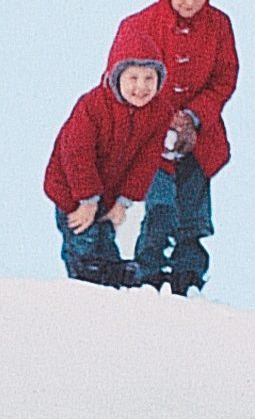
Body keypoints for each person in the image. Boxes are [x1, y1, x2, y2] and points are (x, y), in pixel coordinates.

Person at [105, 0, 236, 294]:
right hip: (150, 137)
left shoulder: (219, 26)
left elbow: (224, 78)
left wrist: (194, 117)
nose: (190, 2)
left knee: (194, 214)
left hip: (199, 136)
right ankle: (147, 272)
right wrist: (161, 120)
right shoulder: (138, 25)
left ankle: (187, 277)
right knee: (160, 208)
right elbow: (120, 80)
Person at [44, 50, 172, 287]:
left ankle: (115, 278)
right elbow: (76, 153)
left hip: (109, 191)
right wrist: (87, 200)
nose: (141, 87)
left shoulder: (159, 112)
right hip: (72, 189)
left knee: (105, 236)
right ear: (117, 77)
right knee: (84, 238)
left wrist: (124, 201)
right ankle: (87, 280)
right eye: (133, 78)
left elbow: (146, 160)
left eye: (149, 79)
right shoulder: (93, 106)